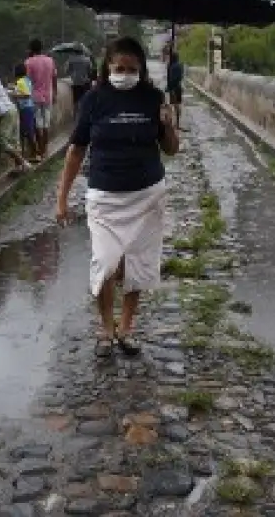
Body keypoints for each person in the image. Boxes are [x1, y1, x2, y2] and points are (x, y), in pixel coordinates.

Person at [55, 36, 179, 357]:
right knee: (106, 262)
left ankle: (125, 329)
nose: (125, 73)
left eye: (131, 69)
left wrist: (168, 126)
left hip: (147, 195)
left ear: (141, 69)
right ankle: (105, 328)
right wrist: (62, 198)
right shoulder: (94, 100)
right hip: (105, 196)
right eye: (119, 68)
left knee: (137, 263)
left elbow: (171, 149)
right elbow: (76, 150)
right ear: (108, 67)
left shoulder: (154, 98)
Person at [25, 39, 58, 157]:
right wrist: (55, 92)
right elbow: (54, 78)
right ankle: (45, 149)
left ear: (31, 49)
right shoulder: (50, 60)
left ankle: (39, 149)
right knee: (46, 123)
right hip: (48, 95)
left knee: (38, 123)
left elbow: (27, 80)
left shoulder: (29, 62)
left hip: (35, 96)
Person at [12, 62, 40, 161]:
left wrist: (14, 95)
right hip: (30, 107)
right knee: (28, 131)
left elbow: (27, 94)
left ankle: (35, 154)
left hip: (25, 108)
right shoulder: (27, 79)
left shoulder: (20, 82)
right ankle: (33, 154)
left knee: (28, 131)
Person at [166, 51, 185, 132]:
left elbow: (169, 79)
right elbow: (180, 77)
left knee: (172, 105)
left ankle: (171, 123)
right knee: (177, 106)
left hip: (172, 88)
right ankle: (177, 123)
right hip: (178, 87)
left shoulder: (170, 66)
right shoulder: (180, 66)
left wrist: (169, 88)